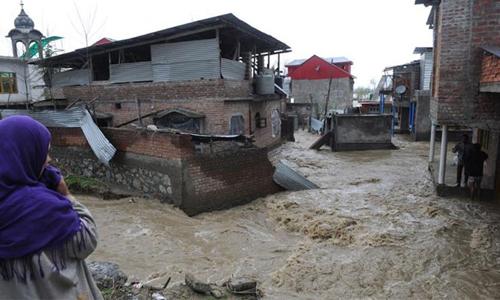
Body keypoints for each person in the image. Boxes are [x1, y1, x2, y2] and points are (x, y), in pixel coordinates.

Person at [0, 115, 103, 299]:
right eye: (44, 152)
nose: (48, 159)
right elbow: (86, 241)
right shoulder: (42, 206)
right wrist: (66, 195)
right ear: (25, 154)